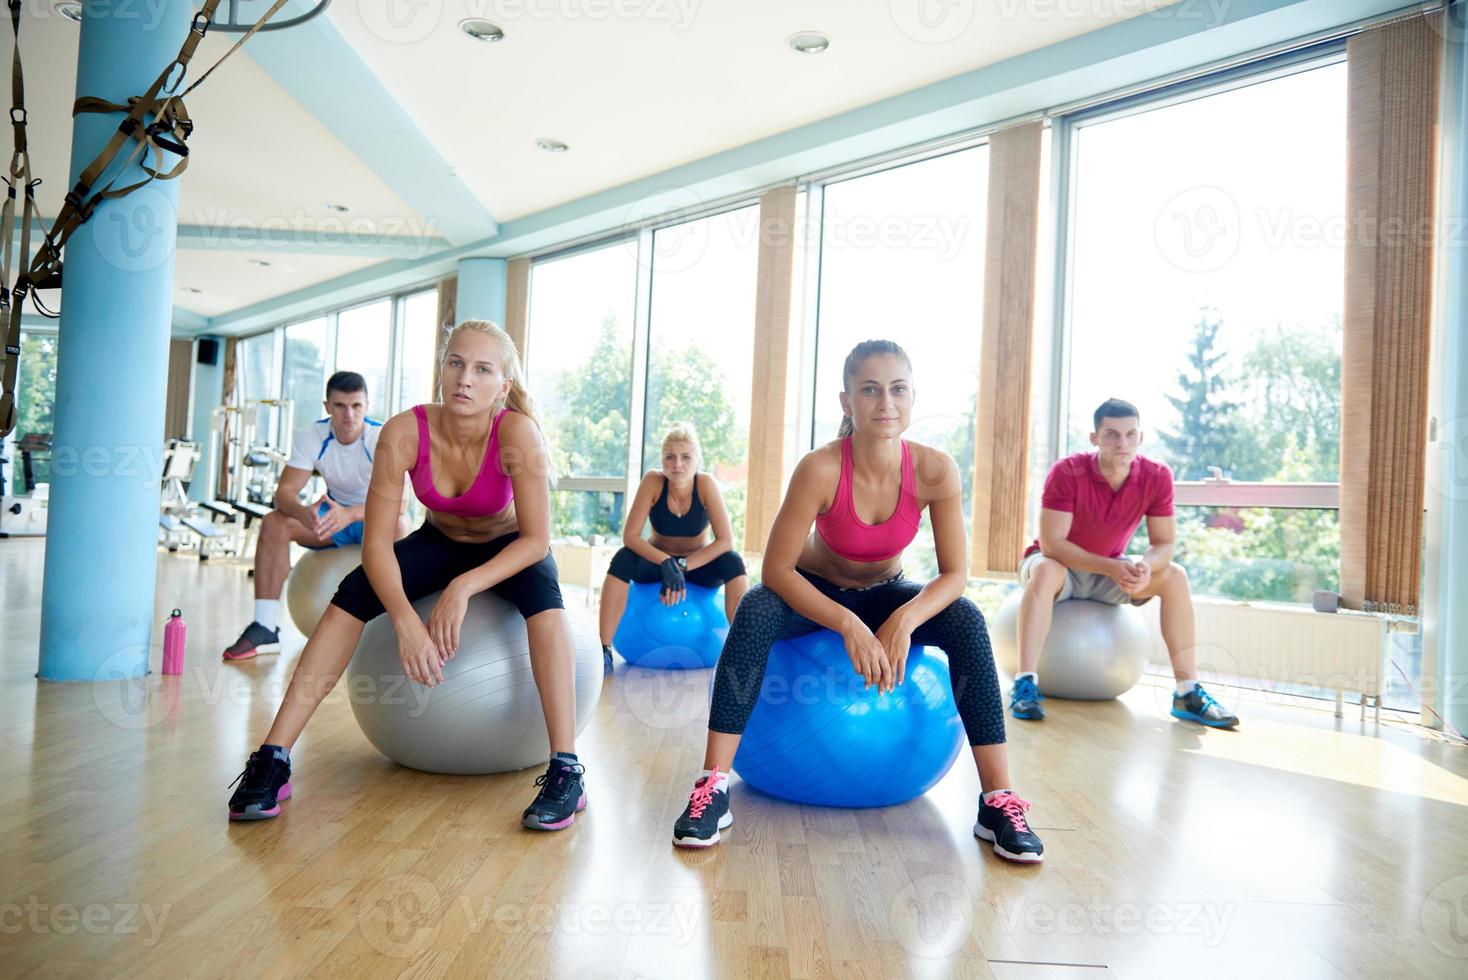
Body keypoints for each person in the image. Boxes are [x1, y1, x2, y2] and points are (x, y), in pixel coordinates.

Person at [670, 340, 1044, 863]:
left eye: (897, 389)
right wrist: (847, 624)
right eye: (869, 389)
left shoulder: (936, 471)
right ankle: (712, 786)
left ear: (913, 398)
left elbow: (956, 574)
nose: (885, 403)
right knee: (754, 608)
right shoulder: (820, 468)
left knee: (965, 619)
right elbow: (775, 569)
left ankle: (998, 800)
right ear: (847, 401)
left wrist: (906, 619)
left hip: (888, 593)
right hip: (812, 591)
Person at [227, 320, 589, 831]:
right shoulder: (404, 430)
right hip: (438, 541)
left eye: (482, 369)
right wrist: (404, 620)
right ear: (441, 370)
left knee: (547, 604)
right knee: (351, 595)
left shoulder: (516, 432)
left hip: (508, 547)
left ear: (502, 386)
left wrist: (463, 587)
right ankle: (273, 756)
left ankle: (567, 768)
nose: (465, 378)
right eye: (456, 363)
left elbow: (536, 540)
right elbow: (376, 544)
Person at [1009, 397, 1239, 729]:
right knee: (1046, 568)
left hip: (1109, 569)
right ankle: (1025, 683)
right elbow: (1052, 544)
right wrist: (1112, 567)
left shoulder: (1157, 475)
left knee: (1174, 576)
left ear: (1141, 438)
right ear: (1095, 438)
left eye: (1131, 434)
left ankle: (1187, 691)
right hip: (1057, 568)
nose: (1123, 443)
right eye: (1112, 435)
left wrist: (1144, 566)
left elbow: (1163, 544)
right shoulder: (1067, 472)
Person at [222, 372, 408, 660]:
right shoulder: (312, 436)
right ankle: (265, 626)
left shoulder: (380, 438)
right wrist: (301, 511)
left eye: (356, 406)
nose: (349, 414)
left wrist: (351, 514)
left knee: (400, 525)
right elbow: (284, 493)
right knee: (275, 522)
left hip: (375, 517)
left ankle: (392, 627)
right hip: (332, 517)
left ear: (367, 406)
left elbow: (399, 502)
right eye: (340, 406)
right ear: (327, 406)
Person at [598, 422, 748, 671]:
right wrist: (666, 562)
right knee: (623, 558)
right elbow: (631, 537)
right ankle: (603, 650)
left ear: (697, 460)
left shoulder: (705, 484)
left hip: (696, 566)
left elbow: (725, 541)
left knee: (733, 560)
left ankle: (742, 653)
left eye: (685, 457)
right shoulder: (654, 482)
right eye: (670, 457)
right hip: (658, 564)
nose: (677, 464)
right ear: (662, 459)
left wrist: (682, 564)